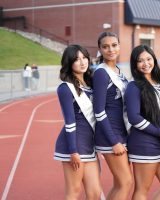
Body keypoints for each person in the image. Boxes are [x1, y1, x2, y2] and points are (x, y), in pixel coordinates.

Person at [125, 44, 160, 200]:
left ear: (154, 60)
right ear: (134, 64)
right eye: (140, 61)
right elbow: (134, 117)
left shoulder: (159, 82)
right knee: (142, 190)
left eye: (148, 59)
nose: (145, 63)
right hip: (144, 144)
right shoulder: (134, 86)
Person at [53, 44, 102, 200]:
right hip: (73, 146)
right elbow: (69, 121)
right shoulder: (66, 88)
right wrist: (73, 151)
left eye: (84, 58)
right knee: (73, 192)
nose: (82, 62)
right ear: (69, 63)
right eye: (76, 59)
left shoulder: (92, 85)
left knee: (94, 193)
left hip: (89, 145)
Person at [93, 32, 133, 200]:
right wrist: (113, 141)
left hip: (121, 131)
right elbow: (99, 111)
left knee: (120, 183)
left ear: (119, 46)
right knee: (126, 182)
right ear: (100, 49)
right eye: (105, 46)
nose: (111, 49)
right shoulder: (101, 73)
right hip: (111, 136)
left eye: (114, 45)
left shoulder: (118, 71)